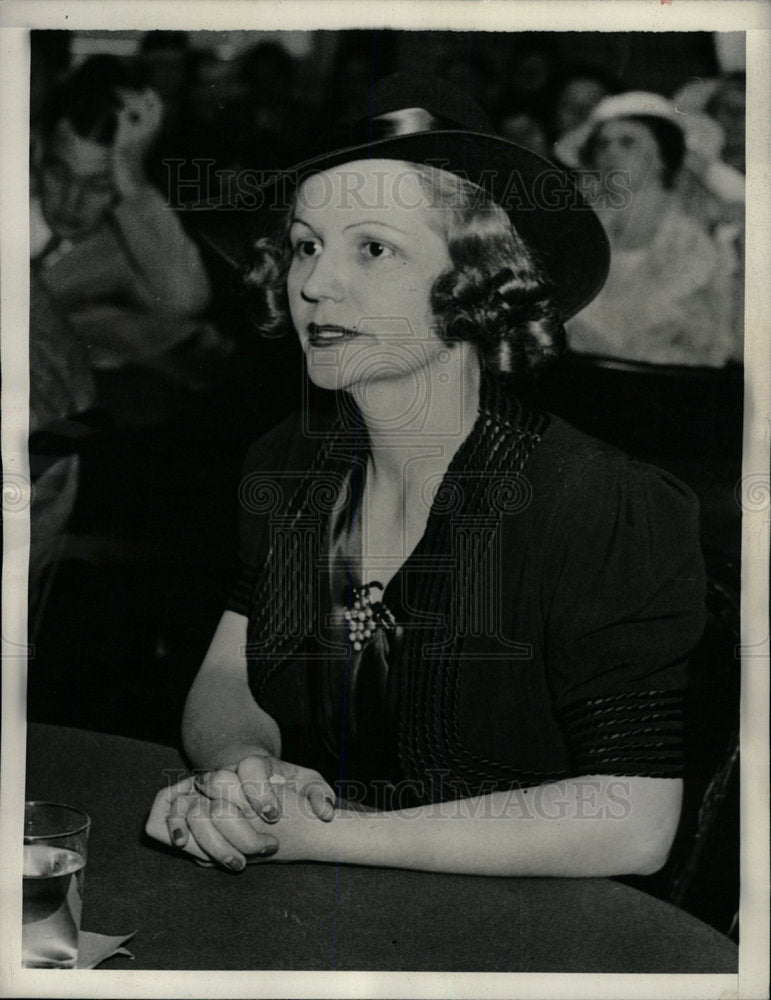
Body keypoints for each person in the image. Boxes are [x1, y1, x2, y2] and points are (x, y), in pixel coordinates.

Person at [146, 74, 706, 878]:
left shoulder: (598, 504)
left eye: (370, 247)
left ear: (473, 279)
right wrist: (245, 770)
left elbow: (634, 819)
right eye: (307, 244)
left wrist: (318, 837)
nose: (313, 284)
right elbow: (228, 677)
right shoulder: (291, 463)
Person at [31, 54, 211, 369]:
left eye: (99, 185)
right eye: (59, 175)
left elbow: (186, 297)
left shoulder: (120, 247)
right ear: (37, 151)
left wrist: (132, 178)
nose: (71, 203)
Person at [555, 91, 742, 367]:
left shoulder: (702, 234)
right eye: (603, 144)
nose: (610, 153)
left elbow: (718, 341)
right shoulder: (584, 234)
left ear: (662, 156)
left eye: (627, 142)